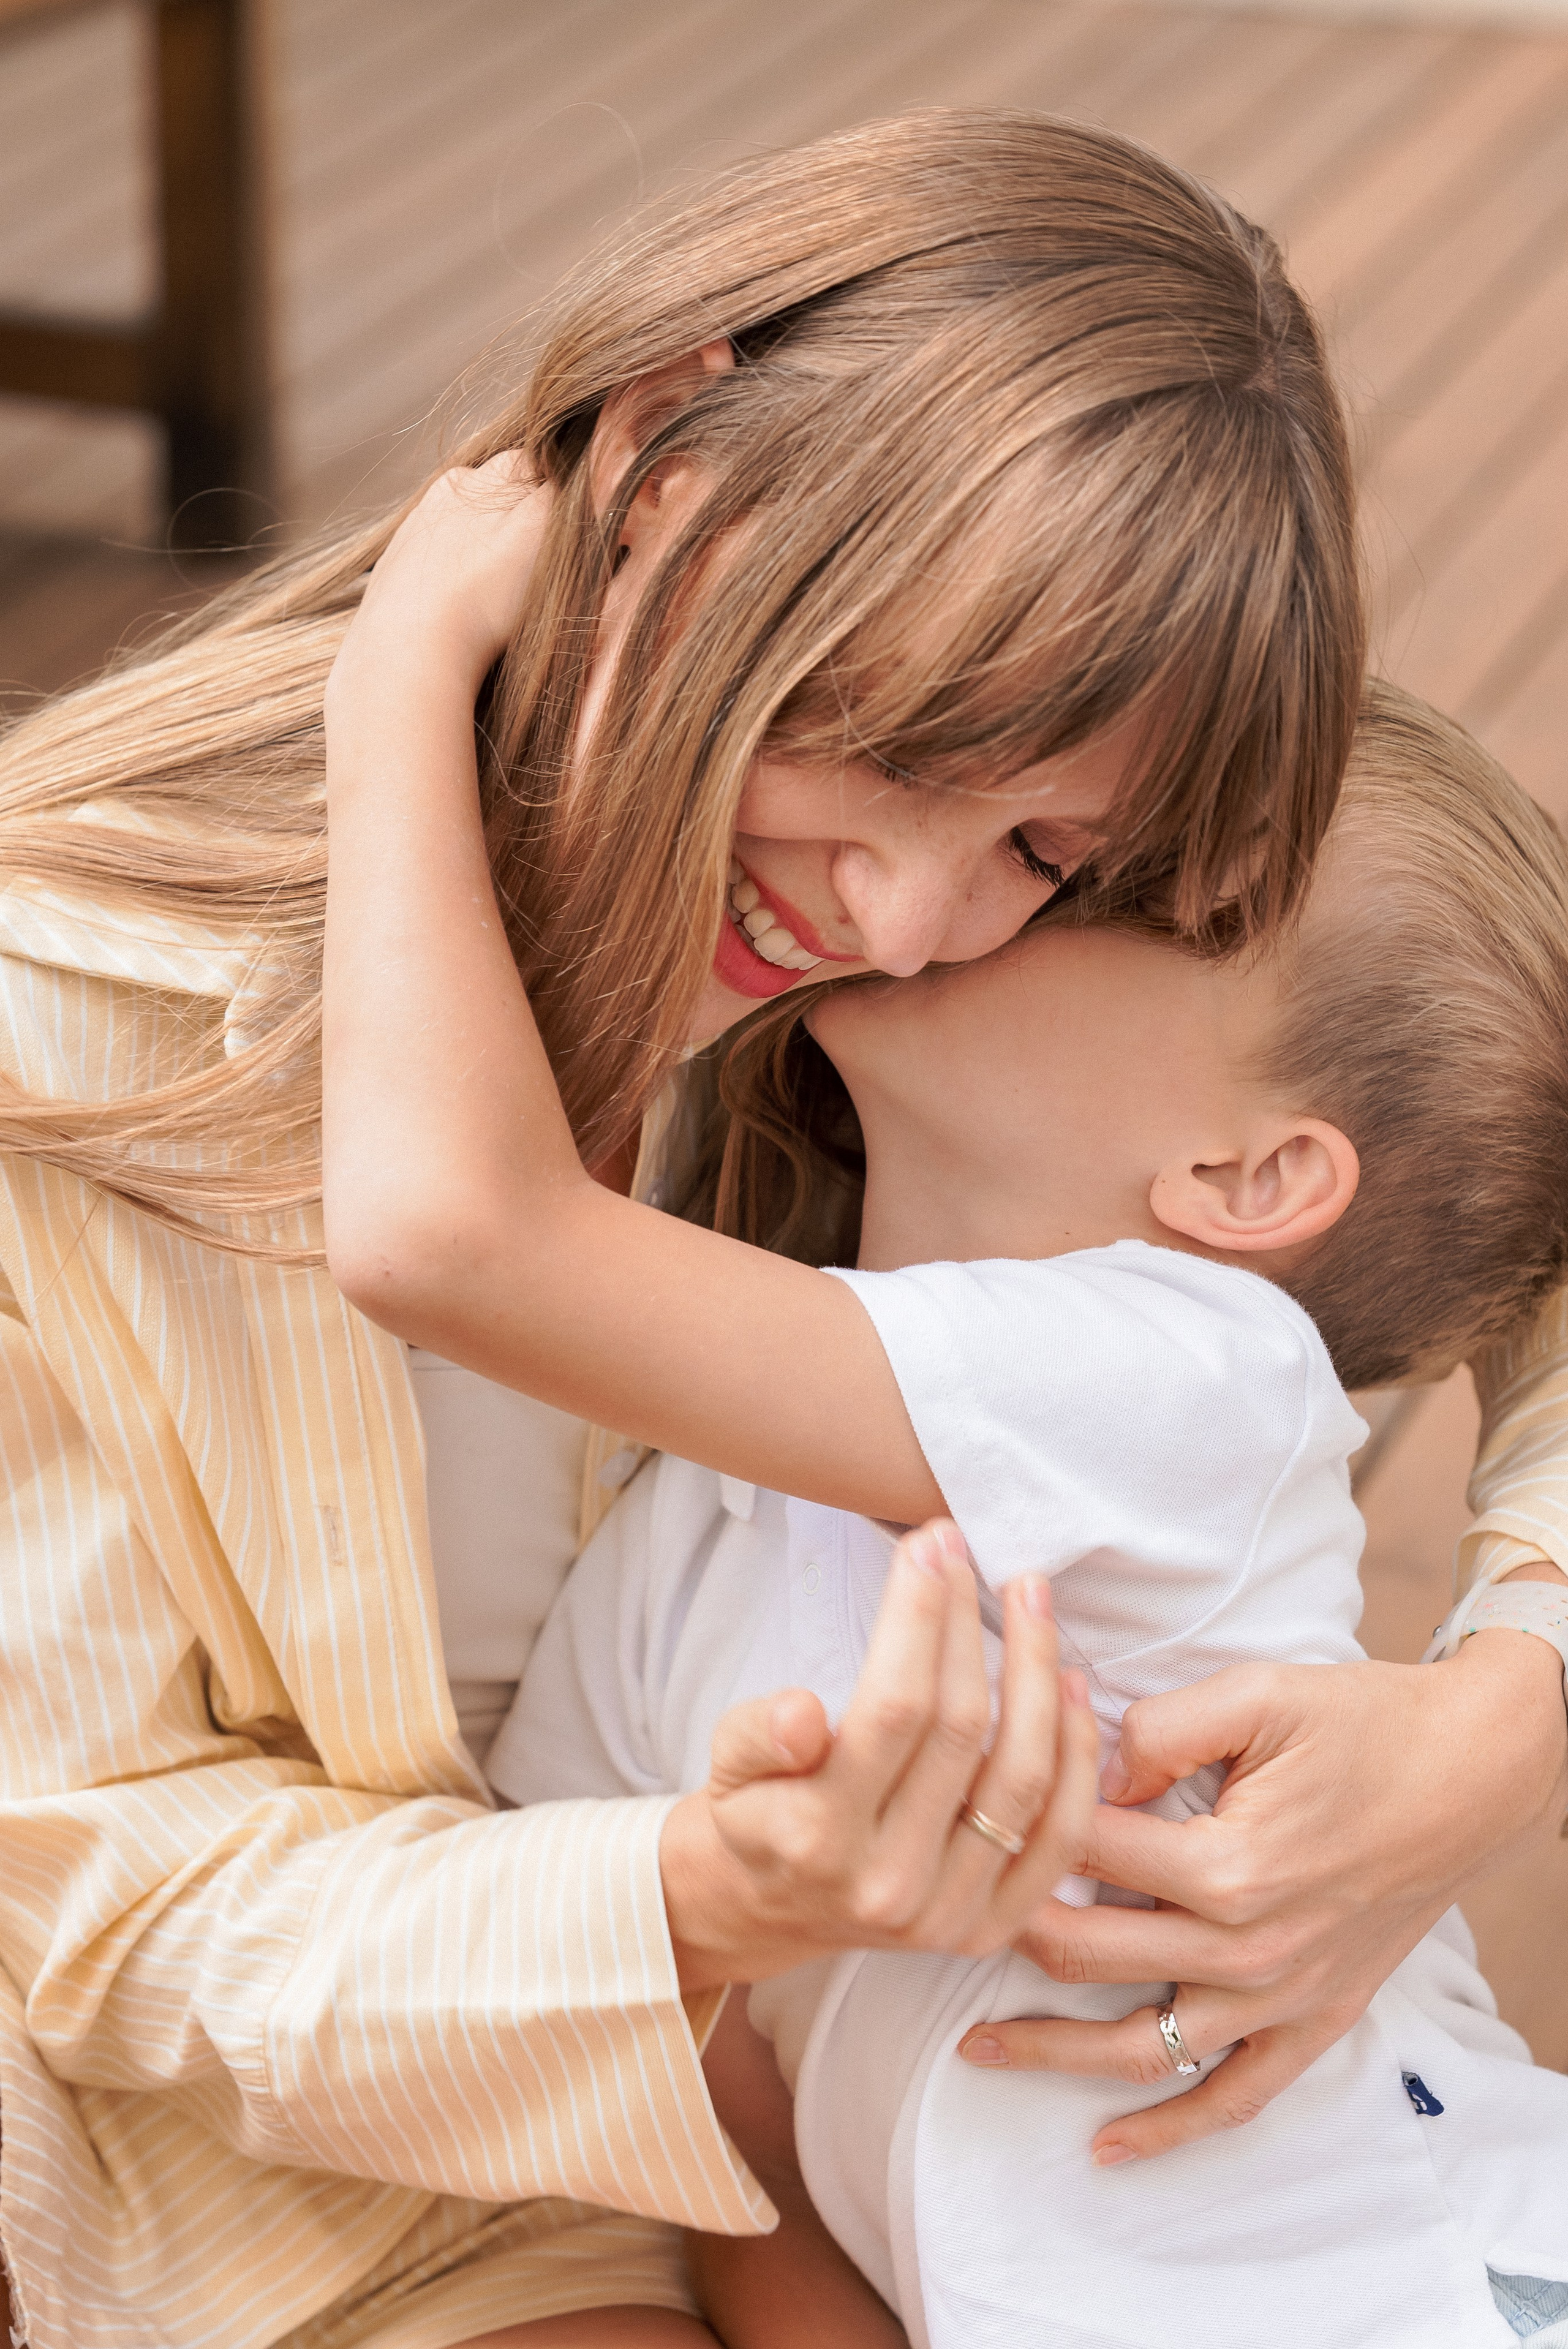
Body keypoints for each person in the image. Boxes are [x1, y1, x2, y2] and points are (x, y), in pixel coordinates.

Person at [0, 110, 1379, 2349]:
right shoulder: (63, 1013)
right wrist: (693, 1894)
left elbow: (1505, 1110)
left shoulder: (970, 990)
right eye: (893, 742)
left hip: (711, 2138)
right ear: (666, 479)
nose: (914, 917)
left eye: (1038, 845)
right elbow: (90, 1919)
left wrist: (1508, 1713)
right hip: (203, 2173)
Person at [323, 641, 1568, 2349]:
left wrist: (388, 694)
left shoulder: (1196, 1380)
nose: (986, 888)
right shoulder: (673, 1556)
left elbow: (454, 1236)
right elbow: (720, 2113)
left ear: (1250, 1176)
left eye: (1084, 878)